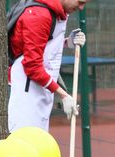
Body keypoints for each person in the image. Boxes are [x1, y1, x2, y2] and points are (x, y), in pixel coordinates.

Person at [7, 0, 87, 133]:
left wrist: (68, 42)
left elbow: (42, 44)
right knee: (26, 141)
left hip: (40, 87)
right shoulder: (39, 14)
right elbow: (32, 65)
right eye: (80, 2)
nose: (81, 7)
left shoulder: (59, 11)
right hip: (27, 91)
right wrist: (63, 95)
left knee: (39, 141)